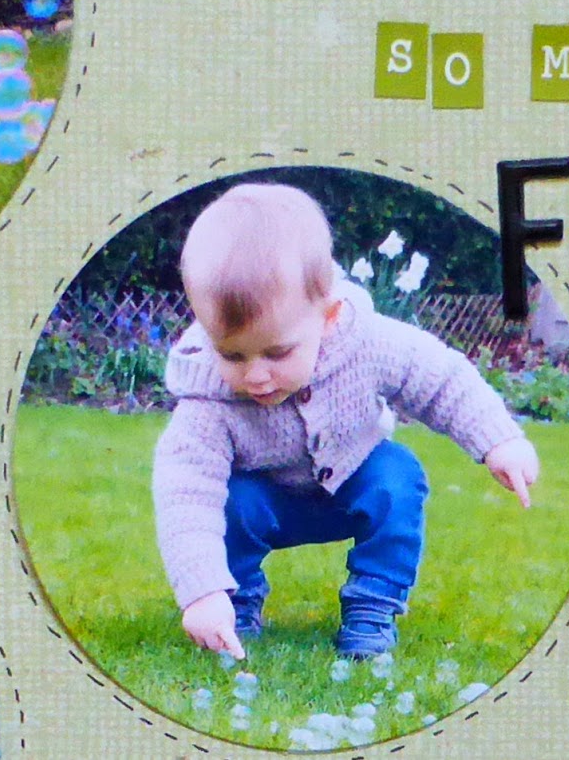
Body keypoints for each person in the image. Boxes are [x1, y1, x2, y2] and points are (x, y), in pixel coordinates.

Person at [151, 183, 539, 659]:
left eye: (278, 352)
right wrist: (202, 591)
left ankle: (373, 606)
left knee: (397, 475)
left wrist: (499, 441)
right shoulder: (205, 404)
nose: (255, 375)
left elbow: (440, 377)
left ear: (329, 317)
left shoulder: (367, 342)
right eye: (232, 355)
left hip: (354, 485)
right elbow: (185, 497)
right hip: (265, 503)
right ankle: (234, 605)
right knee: (231, 501)